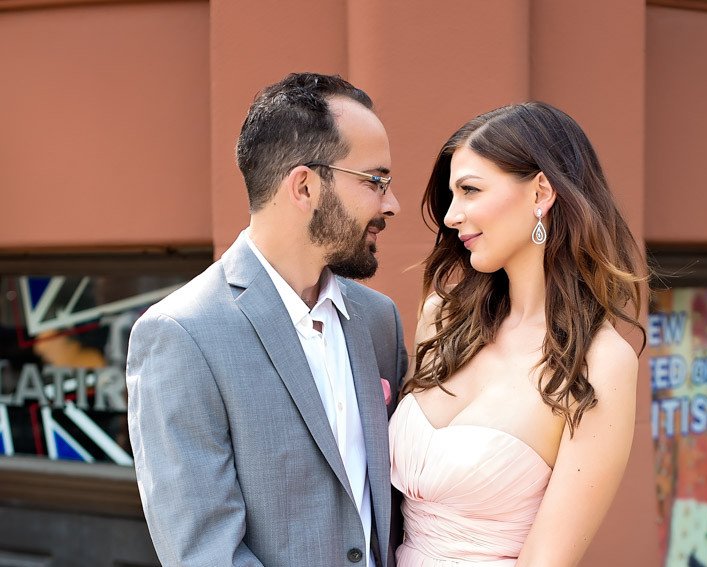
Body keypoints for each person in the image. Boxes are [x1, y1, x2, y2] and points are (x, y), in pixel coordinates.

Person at [127, 73, 407, 567]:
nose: (391, 203)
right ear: (304, 186)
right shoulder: (181, 335)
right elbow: (206, 553)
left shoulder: (378, 320)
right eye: (375, 181)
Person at [389, 102, 645, 566]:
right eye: (452, 195)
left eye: (470, 190)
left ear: (541, 192)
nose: (451, 215)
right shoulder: (443, 318)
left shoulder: (599, 362)